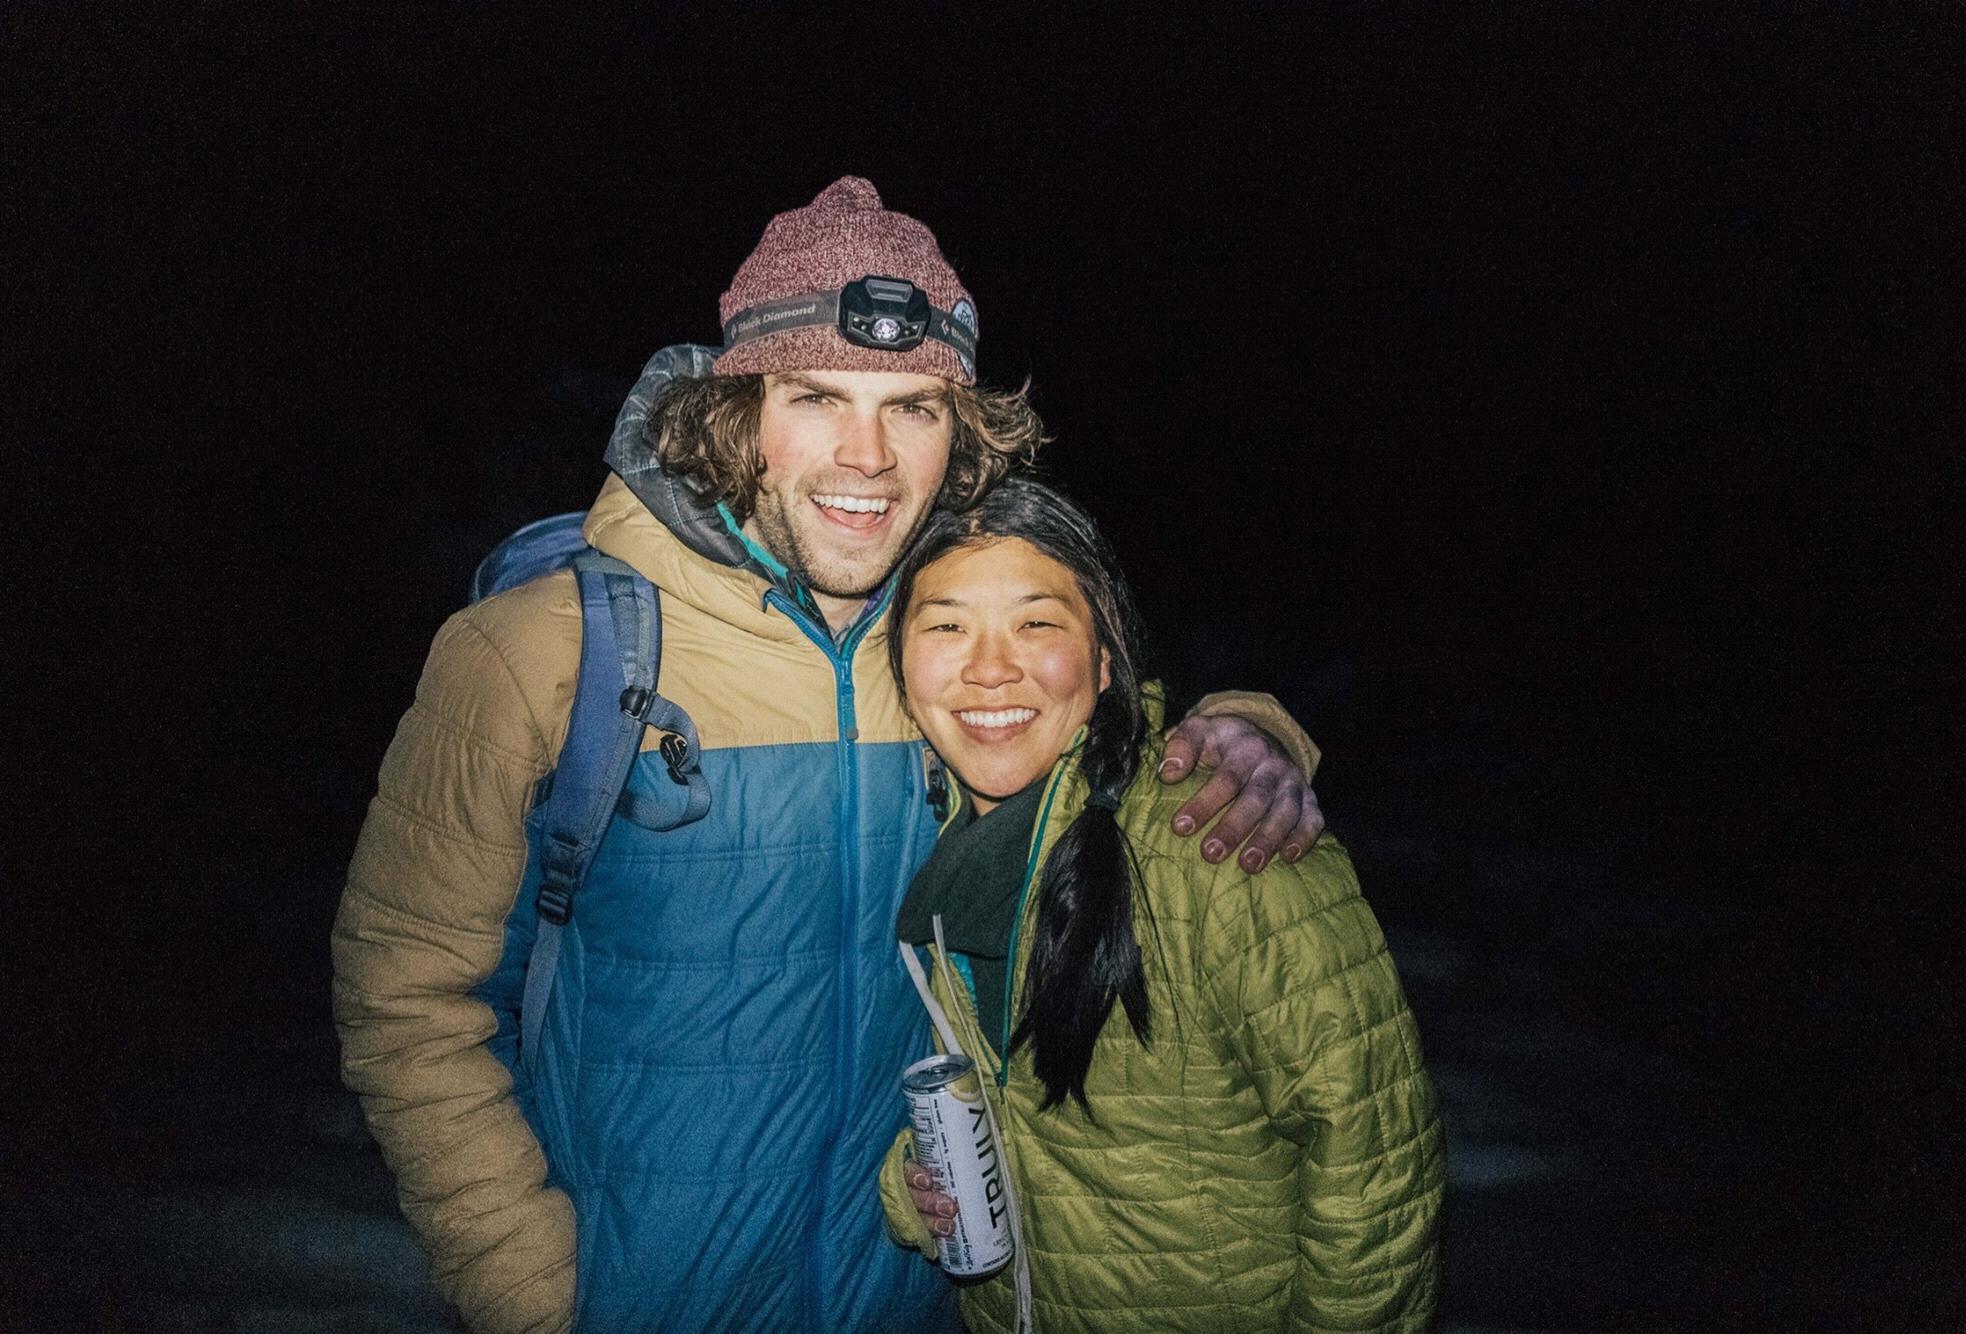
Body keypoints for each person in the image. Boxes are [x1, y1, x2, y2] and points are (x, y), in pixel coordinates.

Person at [332, 176, 1326, 1333]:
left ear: (961, 434)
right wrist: (530, 1290)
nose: (867, 457)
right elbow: (405, 994)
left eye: (913, 405)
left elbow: (1104, 731)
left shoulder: (950, 641)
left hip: (905, 1297)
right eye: (816, 396)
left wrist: (1256, 730)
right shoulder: (543, 650)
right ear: (737, 406)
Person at [880, 476, 1444, 1332]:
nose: (989, 668)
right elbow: (1024, 1105)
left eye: (1037, 623)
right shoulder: (947, 852)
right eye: (947, 626)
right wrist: (913, 1182)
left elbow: (1377, 1172)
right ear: (901, 662)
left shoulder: (1222, 835)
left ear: (1105, 659)